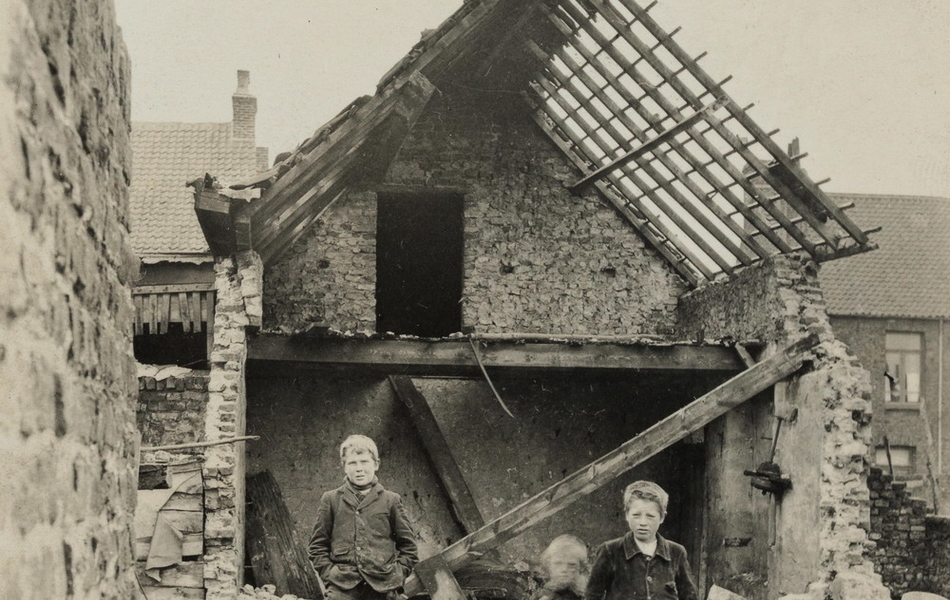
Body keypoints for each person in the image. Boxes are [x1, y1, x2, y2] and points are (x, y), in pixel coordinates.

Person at [308, 435, 419, 600]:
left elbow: (409, 547)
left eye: (364, 461)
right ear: (344, 467)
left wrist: (397, 575)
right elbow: (317, 546)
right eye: (352, 463)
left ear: (376, 464)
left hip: (383, 585)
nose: (359, 468)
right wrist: (330, 576)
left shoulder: (391, 500)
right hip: (343, 587)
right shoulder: (331, 499)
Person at [585, 481, 698, 600]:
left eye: (650, 516)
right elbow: (592, 595)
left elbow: (690, 596)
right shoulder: (610, 550)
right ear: (627, 515)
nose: (643, 522)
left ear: (662, 517)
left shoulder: (676, 552)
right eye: (636, 515)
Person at [533, 534, 590, 600]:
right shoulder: (543, 596)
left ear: (581, 567)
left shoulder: (589, 593)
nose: (564, 569)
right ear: (549, 565)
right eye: (558, 564)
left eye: (571, 565)